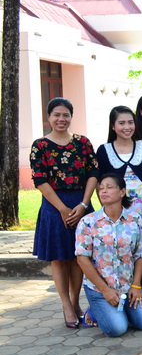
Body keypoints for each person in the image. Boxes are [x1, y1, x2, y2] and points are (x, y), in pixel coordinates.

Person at [31, 97, 99, 329]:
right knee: (59, 258)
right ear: (49, 117)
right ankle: (66, 306)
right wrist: (62, 208)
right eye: (56, 115)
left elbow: (93, 173)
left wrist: (83, 204)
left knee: (79, 257)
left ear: (71, 116)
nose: (61, 119)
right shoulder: (40, 146)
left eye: (66, 115)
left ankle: (75, 301)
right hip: (54, 206)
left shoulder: (83, 143)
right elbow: (39, 179)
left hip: (81, 203)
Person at [75, 173, 142, 336]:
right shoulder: (88, 222)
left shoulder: (135, 219)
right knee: (117, 329)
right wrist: (105, 290)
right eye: (101, 188)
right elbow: (82, 260)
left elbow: (140, 254)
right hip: (100, 289)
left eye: (109, 187)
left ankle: (121, 309)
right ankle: (94, 310)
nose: (103, 191)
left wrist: (137, 285)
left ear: (122, 192)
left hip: (128, 285)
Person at [96, 106, 142, 237]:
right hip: (118, 208)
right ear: (113, 126)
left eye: (130, 122)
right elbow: (99, 183)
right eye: (122, 123)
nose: (127, 127)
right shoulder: (104, 150)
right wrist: (106, 206)